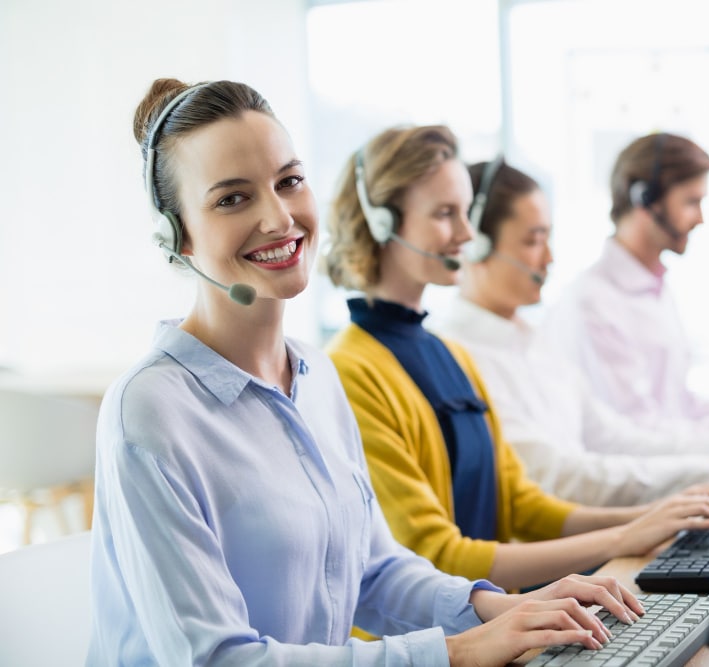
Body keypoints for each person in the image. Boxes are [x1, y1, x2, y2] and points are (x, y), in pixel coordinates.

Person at [88, 78, 655, 667]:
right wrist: (456, 652)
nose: (280, 218)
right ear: (174, 235)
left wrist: (505, 609)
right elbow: (218, 660)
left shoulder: (315, 376)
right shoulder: (150, 413)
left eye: (289, 181)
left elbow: (372, 572)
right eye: (233, 198)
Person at [322, 124, 709, 594]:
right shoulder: (349, 370)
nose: (466, 233)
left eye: (465, 213)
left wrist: (653, 518)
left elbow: (521, 503)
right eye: (445, 213)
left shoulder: (447, 354)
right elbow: (438, 555)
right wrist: (624, 535)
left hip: (494, 620)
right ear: (381, 222)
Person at [427, 158, 709, 507]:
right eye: (533, 241)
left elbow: (615, 436)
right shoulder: (458, 357)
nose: (549, 259)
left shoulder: (535, 342)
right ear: (477, 244)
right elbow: (556, 476)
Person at [535, 132, 709, 445]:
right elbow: (637, 431)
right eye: (691, 202)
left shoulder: (655, 289)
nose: (700, 219)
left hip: (678, 466)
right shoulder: (593, 302)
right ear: (644, 199)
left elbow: (681, 409)